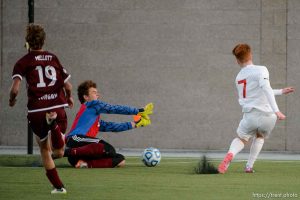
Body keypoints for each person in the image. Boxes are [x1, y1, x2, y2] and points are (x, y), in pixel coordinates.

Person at [9, 24, 74, 194]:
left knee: (45, 149)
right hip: (57, 106)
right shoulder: (53, 58)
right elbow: (68, 86)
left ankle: (59, 187)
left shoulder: (23, 62)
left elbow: (15, 89)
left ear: (27, 42)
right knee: (59, 152)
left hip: (37, 111)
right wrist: (69, 98)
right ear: (44, 40)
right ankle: (53, 125)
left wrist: (12, 100)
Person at [218, 43, 294, 174]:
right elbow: (265, 89)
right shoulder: (261, 69)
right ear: (251, 55)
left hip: (250, 116)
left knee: (241, 139)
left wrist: (280, 91)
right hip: (268, 116)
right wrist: (277, 110)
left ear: (237, 60)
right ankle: (249, 166)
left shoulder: (238, 78)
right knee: (260, 136)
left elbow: (257, 93)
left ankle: (230, 154)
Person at [64, 80, 153, 168]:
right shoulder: (92, 104)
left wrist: (136, 123)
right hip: (75, 140)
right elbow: (114, 108)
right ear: (86, 97)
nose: (98, 95)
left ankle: (85, 164)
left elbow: (112, 127)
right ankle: (65, 153)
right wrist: (139, 111)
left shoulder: (93, 118)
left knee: (120, 159)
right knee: (108, 149)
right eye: (94, 92)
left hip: (80, 154)